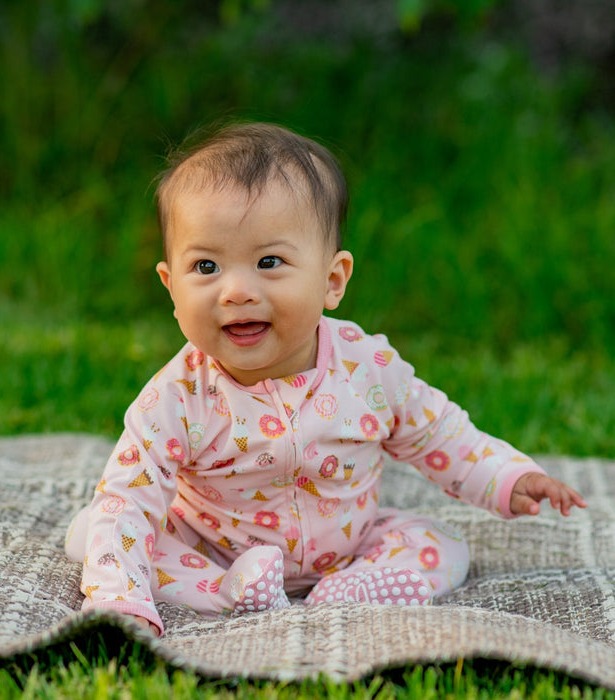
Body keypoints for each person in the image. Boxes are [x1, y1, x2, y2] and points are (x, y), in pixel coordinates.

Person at [65, 122, 586, 638]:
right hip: (215, 550)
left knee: (444, 546)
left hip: (349, 547)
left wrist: (508, 476)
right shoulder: (177, 396)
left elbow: (439, 433)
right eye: (206, 266)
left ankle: (356, 587)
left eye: (269, 262)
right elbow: (129, 496)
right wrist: (119, 599)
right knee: (94, 529)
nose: (236, 291)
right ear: (170, 286)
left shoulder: (366, 368)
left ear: (332, 281)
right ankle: (227, 592)